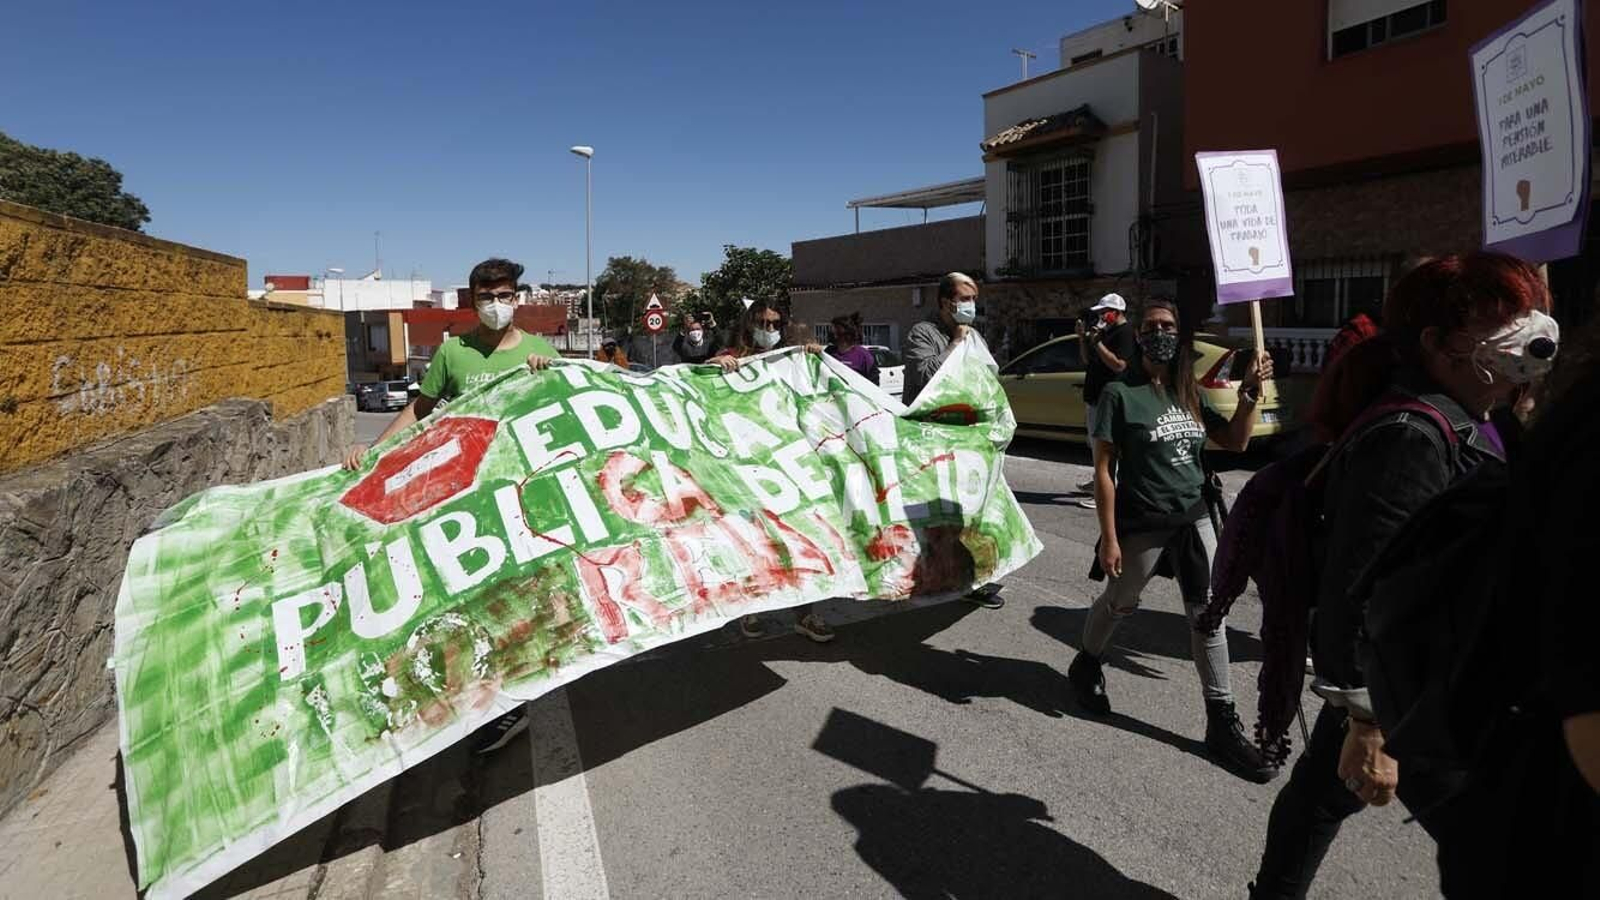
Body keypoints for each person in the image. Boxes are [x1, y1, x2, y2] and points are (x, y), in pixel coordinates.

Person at [1248, 253, 1548, 898]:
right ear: (1439, 343)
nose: (1520, 337)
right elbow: (1360, 583)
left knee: (1321, 797)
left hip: (1445, 666)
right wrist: (1368, 720)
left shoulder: (1488, 416)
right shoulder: (1410, 433)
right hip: (1413, 686)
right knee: (1501, 851)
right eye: (1500, 323)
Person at [1066, 296, 1276, 782]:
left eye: (1168, 325)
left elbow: (1237, 443)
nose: (1159, 332)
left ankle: (1221, 719)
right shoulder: (1121, 394)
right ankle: (1087, 662)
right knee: (1120, 600)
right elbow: (1103, 471)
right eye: (1151, 325)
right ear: (1139, 334)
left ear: (1178, 335)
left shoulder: (1188, 391)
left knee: (1210, 615)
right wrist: (1109, 537)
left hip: (1194, 517)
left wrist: (1248, 395)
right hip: (1144, 519)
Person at [343, 258, 558, 471]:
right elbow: (418, 411)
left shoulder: (542, 351)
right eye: (486, 297)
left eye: (504, 295)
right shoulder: (452, 351)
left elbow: (564, 406)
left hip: (524, 467)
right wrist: (373, 451)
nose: (496, 303)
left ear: (515, 300)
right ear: (474, 304)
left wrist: (549, 375)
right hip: (468, 470)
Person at [709, 299, 836, 644]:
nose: (769, 330)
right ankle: (749, 609)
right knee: (754, 543)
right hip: (746, 469)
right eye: (762, 323)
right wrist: (715, 365)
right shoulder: (730, 355)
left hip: (789, 466)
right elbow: (700, 385)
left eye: (775, 323)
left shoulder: (791, 359)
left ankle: (807, 614)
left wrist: (811, 355)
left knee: (804, 540)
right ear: (749, 324)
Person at [901, 272, 1006, 610]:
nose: (971, 305)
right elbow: (927, 375)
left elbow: (988, 375)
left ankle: (973, 578)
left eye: (974, 298)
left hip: (966, 438)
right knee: (931, 517)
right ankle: (924, 575)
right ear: (946, 302)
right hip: (929, 439)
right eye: (965, 298)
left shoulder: (975, 335)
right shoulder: (923, 333)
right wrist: (957, 342)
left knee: (973, 511)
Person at [1074, 293, 1134, 510]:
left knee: (1105, 447)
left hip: (1107, 399)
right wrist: (1084, 338)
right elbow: (1087, 360)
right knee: (1096, 446)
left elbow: (1119, 365)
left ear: (1116, 312)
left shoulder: (1126, 333)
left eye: (1103, 312)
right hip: (1094, 397)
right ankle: (1099, 481)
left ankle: (1106, 490)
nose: (1100, 316)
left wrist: (1098, 342)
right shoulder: (1105, 332)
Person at [826, 312, 880, 385]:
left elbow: (874, 386)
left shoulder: (864, 356)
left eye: (833, 330)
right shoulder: (828, 352)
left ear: (843, 334)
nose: (830, 333)